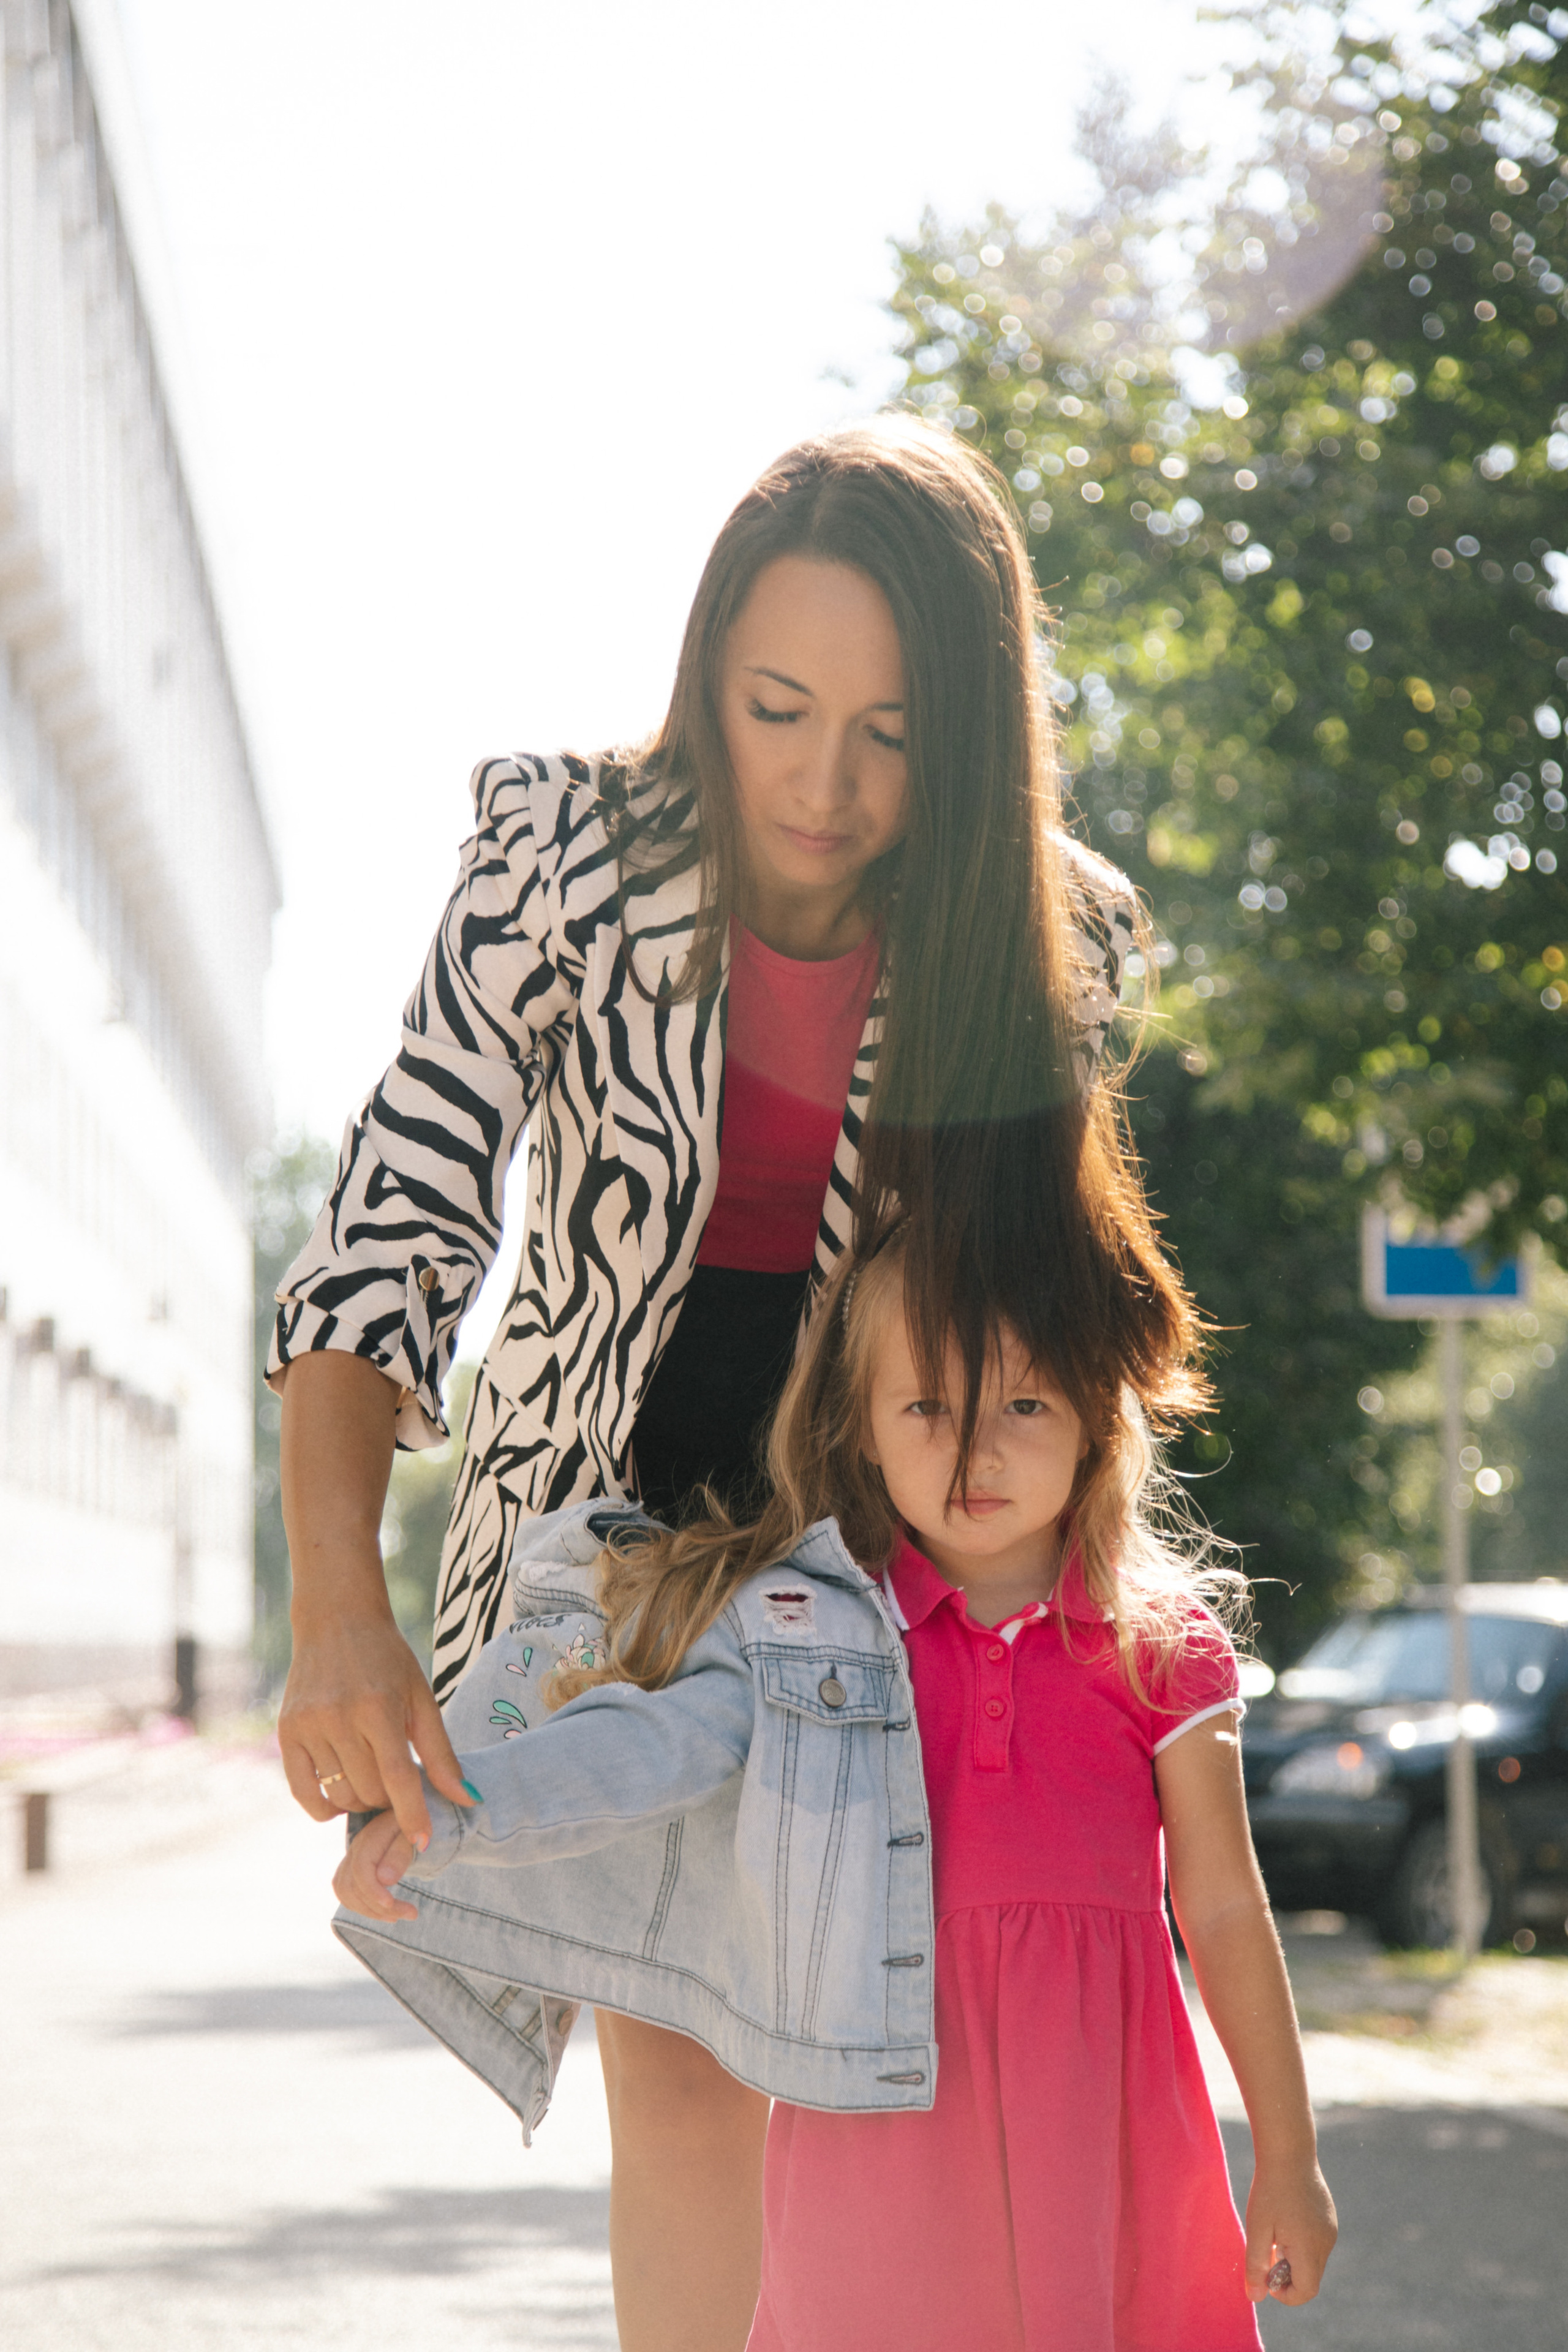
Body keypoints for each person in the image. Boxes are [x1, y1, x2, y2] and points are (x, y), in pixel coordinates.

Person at [271, 416, 1139, 2352]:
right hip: (605, 1565)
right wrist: (338, 1601)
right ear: (708, 675)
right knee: (681, 2071)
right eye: (776, 709)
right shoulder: (559, 854)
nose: (824, 785)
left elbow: (1046, 1339)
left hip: (869, 1558)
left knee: (876, 2086)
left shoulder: (1035, 938)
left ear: (966, 735)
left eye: (891, 733)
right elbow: (396, 1221)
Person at [334, 1224, 1338, 2352]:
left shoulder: (1163, 1647)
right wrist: (452, 1814)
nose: (976, 1455)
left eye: (1024, 1404)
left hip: (1104, 2142)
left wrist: (1290, 2157)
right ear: (864, 1428)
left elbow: (1225, 1908)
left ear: (1096, 1417)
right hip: (876, 2147)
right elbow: (647, 1748)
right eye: (929, 1408)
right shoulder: (809, 1629)